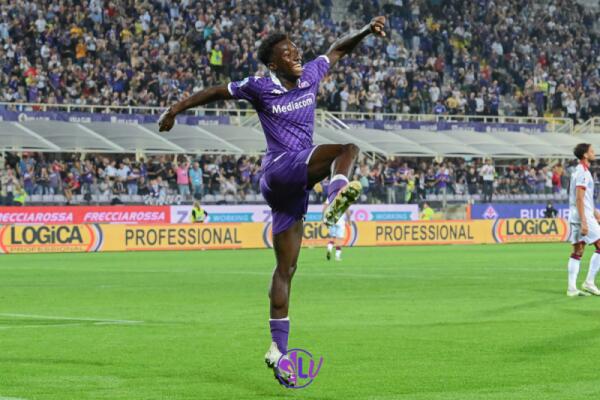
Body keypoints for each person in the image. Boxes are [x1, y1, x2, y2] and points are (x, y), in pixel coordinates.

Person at [158, 16, 386, 386]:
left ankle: (277, 350)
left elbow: (338, 49)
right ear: (273, 64)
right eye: (287, 53)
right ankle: (335, 198)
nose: (296, 55)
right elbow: (216, 92)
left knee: (286, 269)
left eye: (296, 50)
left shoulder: (310, 75)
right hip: (280, 168)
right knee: (347, 148)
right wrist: (175, 109)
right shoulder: (260, 86)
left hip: (293, 188)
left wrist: (365, 30)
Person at [566, 143, 600, 297]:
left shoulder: (579, 171)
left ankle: (572, 288)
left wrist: (594, 211)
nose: (594, 153)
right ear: (585, 155)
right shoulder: (583, 173)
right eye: (592, 151)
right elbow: (579, 198)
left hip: (578, 215)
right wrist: (585, 221)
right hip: (582, 216)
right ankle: (589, 282)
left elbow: (583, 198)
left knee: (578, 251)